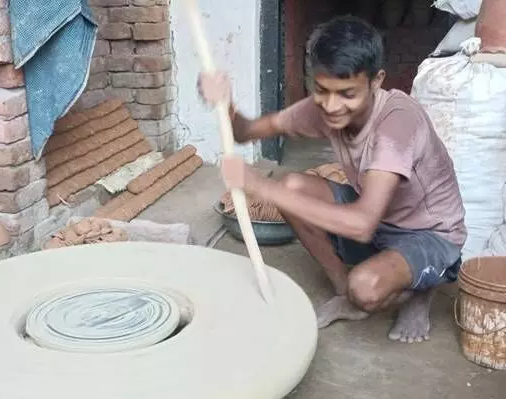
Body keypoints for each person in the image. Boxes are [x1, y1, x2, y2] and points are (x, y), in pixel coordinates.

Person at [197, 15, 466, 343]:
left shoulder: (397, 123)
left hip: (428, 234)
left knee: (366, 287)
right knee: (292, 187)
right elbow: (245, 132)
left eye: (347, 94)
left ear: (376, 81)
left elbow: (362, 224)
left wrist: (260, 186)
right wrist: (226, 103)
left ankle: (419, 292)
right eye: (322, 90)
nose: (332, 106)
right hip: (380, 220)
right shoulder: (321, 108)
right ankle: (343, 291)